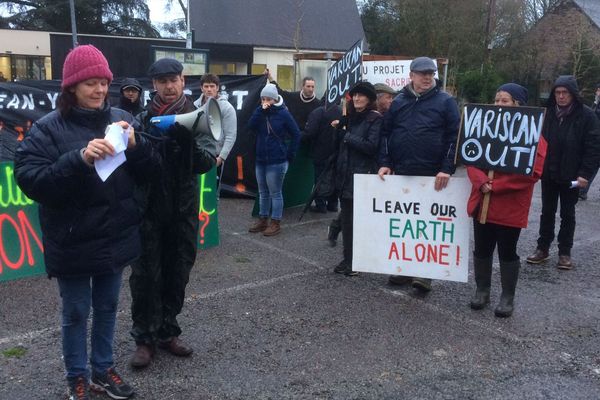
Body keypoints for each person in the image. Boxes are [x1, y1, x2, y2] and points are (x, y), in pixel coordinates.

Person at [14, 45, 157, 400]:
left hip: (116, 235)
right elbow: (31, 179)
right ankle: (77, 375)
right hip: (73, 239)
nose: (98, 90)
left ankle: (103, 369)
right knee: (76, 311)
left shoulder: (123, 120)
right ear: (71, 88)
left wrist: (137, 147)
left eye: (102, 82)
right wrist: (77, 159)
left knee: (108, 307)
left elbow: (152, 172)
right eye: (89, 83)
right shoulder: (48, 128)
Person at [129, 58, 217, 368]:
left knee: (178, 272)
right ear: (154, 84)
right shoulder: (141, 119)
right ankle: (144, 338)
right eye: (162, 81)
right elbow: (131, 165)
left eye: (174, 79)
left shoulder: (197, 117)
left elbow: (208, 160)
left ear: (182, 81)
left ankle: (167, 331)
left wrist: (188, 145)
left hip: (182, 210)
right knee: (145, 276)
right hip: (149, 210)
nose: (169, 86)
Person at [378, 57, 460, 292]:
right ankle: (403, 268)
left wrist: (447, 167)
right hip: (402, 172)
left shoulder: (446, 102)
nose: (427, 77)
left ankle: (425, 273)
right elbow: (386, 133)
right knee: (404, 224)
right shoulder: (399, 101)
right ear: (411, 75)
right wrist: (386, 162)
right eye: (422, 73)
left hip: (432, 175)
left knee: (427, 226)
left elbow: (455, 136)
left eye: (430, 73)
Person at [467, 83, 546, 318]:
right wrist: (481, 181)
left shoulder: (534, 135)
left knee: (507, 251)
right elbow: (470, 156)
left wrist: (497, 186)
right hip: (483, 202)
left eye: (505, 100)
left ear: (517, 105)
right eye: (497, 99)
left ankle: (507, 296)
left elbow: (533, 171)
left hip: (509, 205)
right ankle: (482, 290)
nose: (499, 104)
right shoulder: (483, 127)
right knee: (482, 248)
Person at [526, 75, 600, 269]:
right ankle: (542, 248)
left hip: (572, 176)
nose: (561, 96)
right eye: (557, 92)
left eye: (565, 92)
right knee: (547, 212)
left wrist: (585, 174)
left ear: (573, 94)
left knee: (568, 214)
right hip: (549, 173)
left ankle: (565, 253)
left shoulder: (587, 116)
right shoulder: (548, 113)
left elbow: (593, 147)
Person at [330, 81, 382, 276]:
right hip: (345, 176)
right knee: (347, 222)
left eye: (362, 95)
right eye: (355, 95)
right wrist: (340, 129)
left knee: (357, 223)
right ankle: (348, 259)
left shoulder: (374, 119)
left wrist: (346, 135)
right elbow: (339, 147)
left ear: (369, 99)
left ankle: (357, 262)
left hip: (362, 177)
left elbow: (371, 146)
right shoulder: (350, 118)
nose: (358, 98)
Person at [247, 83, 300, 236]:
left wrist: (290, 155)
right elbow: (251, 125)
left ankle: (275, 221)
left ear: (274, 99)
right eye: (263, 98)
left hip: (277, 160)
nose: (265, 101)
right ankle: (263, 219)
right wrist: (259, 110)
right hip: (261, 159)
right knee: (262, 191)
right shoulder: (261, 112)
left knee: (275, 192)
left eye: (268, 98)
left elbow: (296, 134)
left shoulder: (283, 113)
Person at [194, 73, 237, 193]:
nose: (209, 89)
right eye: (206, 86)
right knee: (194, 193)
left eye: (212, 86)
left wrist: (221, 158)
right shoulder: (194, 106)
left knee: (211, 196)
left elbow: (231, 135)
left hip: (215, 157)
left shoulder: (227, 108)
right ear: (201, 88)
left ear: (217, 88)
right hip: (197, 154)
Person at [303, 103, 343, 213]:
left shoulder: (318, 112)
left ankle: (321, 205)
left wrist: (299, 136)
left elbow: (310, 132)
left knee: (320, 179)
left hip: (320, 150)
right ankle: (333, 204)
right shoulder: (342, 112)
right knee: (334, 178)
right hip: (336, 151)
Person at [578, 83, 600, 200]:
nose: (597, 92)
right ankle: (582, 190)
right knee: (594, 164)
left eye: (599, 90)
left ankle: (582, 190)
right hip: (595, 137)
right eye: (597, 90)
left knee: (594, 164)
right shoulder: (596, 103)